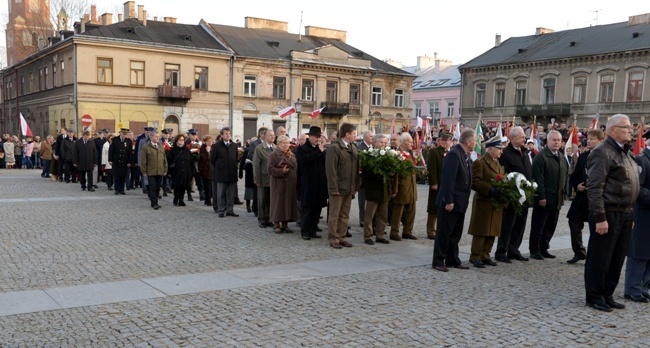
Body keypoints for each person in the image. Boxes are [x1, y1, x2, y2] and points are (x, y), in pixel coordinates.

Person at [585, 113, 640, 312]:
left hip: (624, 212)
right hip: (607, 212)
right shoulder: (602, 151)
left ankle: (607, 293)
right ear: (612, 130)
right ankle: (594, 295)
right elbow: (595, 187)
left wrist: (629, 212)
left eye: (630, 127)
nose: (630, 130)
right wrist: (600, 217)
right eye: (626, 127)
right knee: (601, 257)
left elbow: (628, 183)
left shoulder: (624, 151)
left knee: (616, 257)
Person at [432, 128, 476, 272]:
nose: (476, 143)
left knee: (455, 234)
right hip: (450, 203)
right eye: (475, 140)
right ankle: (438, 260)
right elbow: (448, 180)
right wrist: (449, 200)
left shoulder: (465, 156)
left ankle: (452, 259)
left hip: (460, 202)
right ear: (469, 141)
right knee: (444, 233)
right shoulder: (454, 155)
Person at [566, 129, 604, 264]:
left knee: (596, 226)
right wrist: (578, 186)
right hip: (582, 196)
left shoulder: (604, 156)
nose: (588, 141)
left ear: (600, 141)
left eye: (592, 139)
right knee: (573, 221)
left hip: (597, 197)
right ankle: (579, 251)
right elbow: (575, 175)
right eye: (588, 139)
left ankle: (595, 257)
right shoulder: (583, 156)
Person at [496, 127, 533, 263]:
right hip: (512, 195)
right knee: (507, 224)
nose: (524, 139)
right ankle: (501, 251)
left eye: (524, 137)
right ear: (512, 139)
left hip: (525, 195)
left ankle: (513, 250)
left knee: (520, 224)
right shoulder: (506, 154)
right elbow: (503, 174)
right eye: (521, 137)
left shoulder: (525, 152)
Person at [529, 130, 568, 260]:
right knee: (538, 226)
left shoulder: (561, 157)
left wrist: (563, 196)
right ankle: (534, 249)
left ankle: (544, 248)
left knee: (551, 226)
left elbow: (564, 178)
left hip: (556, 199)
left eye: (559, 140)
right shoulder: (541, 157)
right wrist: (541, 196)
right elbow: (538, 179)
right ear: (548, 141)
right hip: (544, 199)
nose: (557, 142)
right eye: (554, 140)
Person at [468, 136, 505, 268]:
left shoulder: (497, 163)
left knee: (492, 230)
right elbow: (475, 182)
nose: (501, 151)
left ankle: (485, 255)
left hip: (495, 202)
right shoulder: (480, 162)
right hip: (484, 201)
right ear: (490, 149)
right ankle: (475, 255)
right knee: (481, 230)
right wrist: (490, 189)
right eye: (499, 149)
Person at [625, 129, 650, 303]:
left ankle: (645, 286)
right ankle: (632, 288)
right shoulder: (642, 160)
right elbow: (636, 188)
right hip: (642, 214)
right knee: (639, 252)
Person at [325, 123, 358, 249]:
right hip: (338, 188)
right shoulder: (335, 148)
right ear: (347, 134)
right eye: (354, 133)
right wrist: (333, 188)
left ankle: (341, 236)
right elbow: (331, 170)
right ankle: (333, 238)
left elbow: (355, 169)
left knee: (345, 214)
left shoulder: (353, 147)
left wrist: (355, 186)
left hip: (348, 187)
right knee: (335, 214)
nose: (355, 135)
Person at [296, 126, 328, 240]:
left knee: (317, 208)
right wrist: (319, 151)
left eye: (319, 136)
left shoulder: (320, 149)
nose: (318, 139)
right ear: (310, 137)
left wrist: (322, 150)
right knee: (307, 208)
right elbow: (306, 160)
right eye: (316, 136)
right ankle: (304, 231)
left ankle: (313, 229)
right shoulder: (302, 149)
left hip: (320, 183)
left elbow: (325, 162)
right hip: (308, 183)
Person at [389, 133, 421, 241]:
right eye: (410, 142)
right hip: (402, 186)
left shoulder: (410, 154)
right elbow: (395, 173)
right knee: (398, 211)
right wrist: (395, 189)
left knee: (411, 210)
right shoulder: (397, 154)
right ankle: (394, 232)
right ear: (403, 142)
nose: (412, 144)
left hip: (411, 186)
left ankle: (407, 231)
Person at [362, 133, 391, 245]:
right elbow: (366, 173)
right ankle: (368, 235)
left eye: (385, 142)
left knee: (383, 215)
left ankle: (380, 235)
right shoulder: (369, 155)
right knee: (369, 215)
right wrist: (379, 172)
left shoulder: (388, 155)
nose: (383, 144)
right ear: (374, 143)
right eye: (381, 142)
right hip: (373, 189)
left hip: (384, 190)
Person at [268, 135, 298, 233]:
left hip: (290, 184)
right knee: (278, 204)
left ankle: (285, 225)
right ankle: (276, 224)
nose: (285, 145)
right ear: (278, 144)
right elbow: (270, 169)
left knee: (287, 204)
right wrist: (281, 171)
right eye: (283, 143)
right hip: (279, 183)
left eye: (287, 143)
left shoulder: (291, 154)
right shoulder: (273, 155)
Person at [426, 132, 452, 240]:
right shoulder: (434, 152)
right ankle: (431, 230)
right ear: (439, 141)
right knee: (433, 207)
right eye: (443, 140)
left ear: (451, 141)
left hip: (447, 185)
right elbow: (431, 168)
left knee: (445, 207)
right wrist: (433, 182)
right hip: (437, 184)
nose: (444, 142)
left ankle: (441, 230)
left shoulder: (452, 152)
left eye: (447, 140)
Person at [210, 127, 239, 218]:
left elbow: (236, 158)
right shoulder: (217, 146)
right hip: (221, 173)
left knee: (231, 194)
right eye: (226, 134)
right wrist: (218, 169)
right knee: (221, 193)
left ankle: (230, 210)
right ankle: (221, 210)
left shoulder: (234, 145)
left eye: (229, 133)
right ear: (222, 135)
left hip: (232, 173)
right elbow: (212, 159)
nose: (228, 135)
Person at [253, 129, 275, 227]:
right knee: (262, 200)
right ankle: (261, 219)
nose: (273, 137)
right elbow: (256, 165)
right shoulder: (259, 148)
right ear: (265, 137)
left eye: (273, 135)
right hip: (263, 178)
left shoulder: (275, 148)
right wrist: (257, 179)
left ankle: (269, 219)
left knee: (271, 201)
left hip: (273, 179)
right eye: (270, 135)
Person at [140, 131, 167, 210]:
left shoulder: (161, 146)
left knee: (158, 187)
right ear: (151, 137)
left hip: (160, 171)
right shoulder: (146, 147)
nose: (158, 138)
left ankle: (155, 201)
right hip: (150, 171)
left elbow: (164, 159)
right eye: (156, 136)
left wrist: (165, 169)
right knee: (152, 187)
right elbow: (143, 161)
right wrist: (144, 171)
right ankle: (154, 203)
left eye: (158, 136)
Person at [167, 134, 193, 206]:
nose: (181, 141)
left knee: (184, 186)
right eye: (180, 140)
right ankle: (175, 199)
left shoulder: (187, 150)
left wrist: (192, 171)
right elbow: (169, 161)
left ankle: (181, 200)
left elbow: (191, 161)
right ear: (177, 141)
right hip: (176, 171)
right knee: (177, 186)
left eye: (182, 140)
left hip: (186, 171)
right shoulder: (172, 151)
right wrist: (169, 171)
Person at [108, 128, 134, 195]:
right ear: (120, 133)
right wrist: (110, 160)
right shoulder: (115, 140)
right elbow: (111, 151)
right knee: (116, 176)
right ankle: (116, 189)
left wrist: (129, 162)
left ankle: (122, 189)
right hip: (116, 160)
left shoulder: (128, 141)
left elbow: (130, 153)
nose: (125, 135)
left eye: (126, 134)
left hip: (124, 161)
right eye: (124, 134)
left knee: (123, 175)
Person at [356, 130, 374, 227]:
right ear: (365, 137)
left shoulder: (373, 148)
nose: (373, 138)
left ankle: (369, 218)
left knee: (370, 201)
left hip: (371, 179)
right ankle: (362, 219)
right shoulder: (360, 148)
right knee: (362, 201)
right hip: (362, 179)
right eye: (371, 136)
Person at [198, 135, 215, 206]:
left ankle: (208, 200)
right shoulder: (202, 149)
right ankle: (208, 201)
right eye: (208, 141)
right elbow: (204, 160)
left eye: (211, 141)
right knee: (207, 187)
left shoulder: (214, 148)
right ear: (205, 142)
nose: (210, 142)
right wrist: (208, 153)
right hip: (205, 170)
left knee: (211, 186)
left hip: (212, 170)